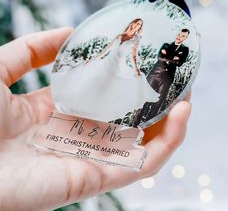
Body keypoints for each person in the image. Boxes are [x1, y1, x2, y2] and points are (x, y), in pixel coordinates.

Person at [0, 28, 191, 210]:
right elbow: (162, 56)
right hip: (114, 71)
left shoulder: (157, 45)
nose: (181, 38)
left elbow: (167, 59)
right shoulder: (126, 39)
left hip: (161, 76)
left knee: (148, 99)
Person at [51, 19, 159, 122]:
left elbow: (133, 56)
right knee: (94, 81)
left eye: (140, 25)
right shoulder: (120, 35)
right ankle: (79, 105)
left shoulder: (136, 39)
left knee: (107, 87)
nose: (138, 25)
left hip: (117, 66)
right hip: (106, 63)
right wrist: (93, 59)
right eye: (137, 23)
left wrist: (137, 70)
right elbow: (106, 49)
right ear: (132, 23)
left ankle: (95, 110)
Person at [133, 29, 190, 126]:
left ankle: (146, 125)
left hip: (167, 78)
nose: (180, 36)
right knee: (145, 99)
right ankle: (135, 124)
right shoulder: (166, 45)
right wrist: (173, 58)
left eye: (183, 36)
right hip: (155, 74)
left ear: (186, 38)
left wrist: (167, 56)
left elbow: (179, 63)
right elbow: (160, 57)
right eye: (179, 34)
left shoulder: (185, 49)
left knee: (158, 101)